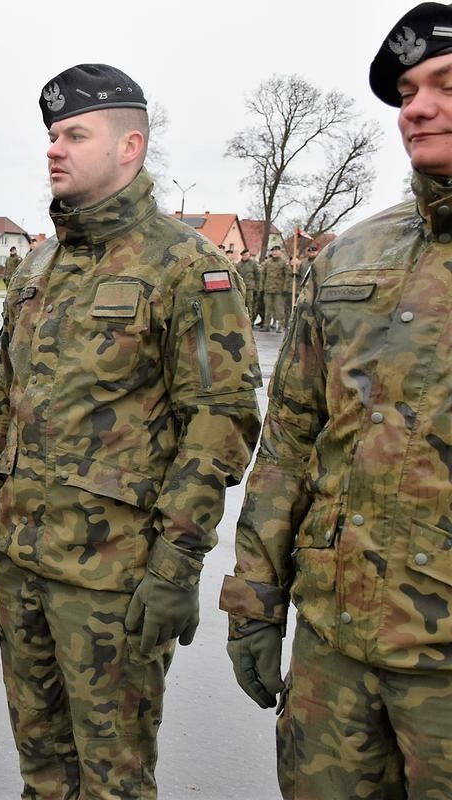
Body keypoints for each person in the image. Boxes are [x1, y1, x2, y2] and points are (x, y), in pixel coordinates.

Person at [0, 64, 261, 799]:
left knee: (113, 779)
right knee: (40, 768)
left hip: (112, 576)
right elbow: (5, 398)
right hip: (22, 553)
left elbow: (220, 423)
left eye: (75, 134)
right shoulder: (38, 266)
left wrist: (176, 563)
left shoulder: (188, 266)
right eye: (52, 135)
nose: (54, 149)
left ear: (130, 148)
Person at [220, 4, 452, 797]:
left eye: (445, 84)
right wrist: (254, 597)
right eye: (408, 92)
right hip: (335, 651)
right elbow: (288, 443)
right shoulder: (355, 253)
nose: (416, 107)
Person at [260, 244, 290, 331]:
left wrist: (286, 288)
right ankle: (266, 325)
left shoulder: (284, 263)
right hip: (268, 289)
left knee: (279, 309)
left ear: (280, 252)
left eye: (276, 251)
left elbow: (288, 276)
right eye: (273, 251)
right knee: (268, 309)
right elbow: (263, 276)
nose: (274, 252)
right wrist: (261, 288)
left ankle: (281, 326)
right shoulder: (267, 263)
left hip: (279, 290)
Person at [234, 248, 259, 323]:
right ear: (242, 256)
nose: (246, 256)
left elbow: (258, 276)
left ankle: (250, 321)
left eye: (247, 255)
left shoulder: (253, 264)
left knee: (250, 305)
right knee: (241, 305)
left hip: (250, 288)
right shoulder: (238, 265)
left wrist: (257, 288)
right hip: (241, 288)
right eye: (244, 255)